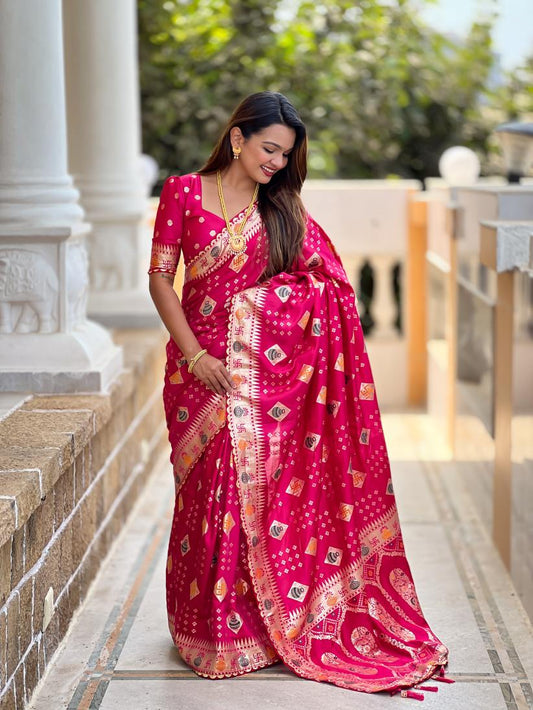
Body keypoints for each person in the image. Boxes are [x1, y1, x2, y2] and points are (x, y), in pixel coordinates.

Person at [147, 91, 450, 698]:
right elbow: (160, 278)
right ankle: (204, 628)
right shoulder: (182, 192)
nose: (277, 163)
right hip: (195, 371)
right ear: (238, 138)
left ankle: (253, 632)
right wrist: (197, 355)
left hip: (257, 379)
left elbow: (330, 286)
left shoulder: (282, 211)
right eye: (269, 149)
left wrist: (261, 313)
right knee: (203, 495)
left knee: (244, 494)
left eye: (285, 155)